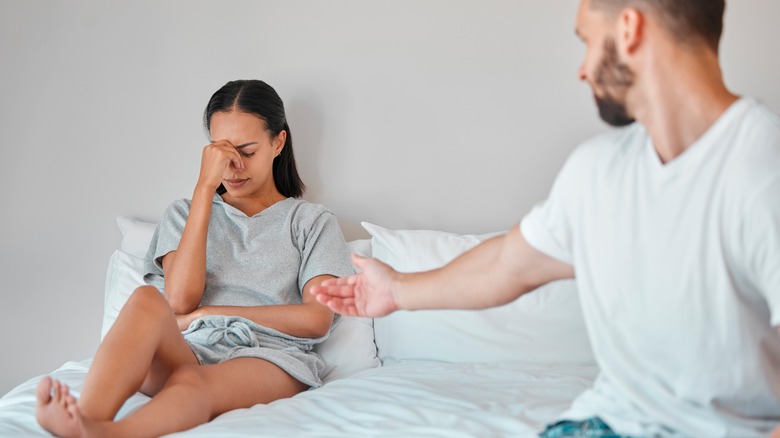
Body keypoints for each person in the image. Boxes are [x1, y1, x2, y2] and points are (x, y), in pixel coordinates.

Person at [311, 0, 780, 436]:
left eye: (588, 41)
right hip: (605, 422)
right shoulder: (598, 170)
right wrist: (397, 290)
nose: (582, 70)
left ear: (630, 28)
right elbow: (507, 265)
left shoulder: (761, 167)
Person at [35, 79, 355, 437]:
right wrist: (204, 188)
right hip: (189, 346)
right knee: (144, 300)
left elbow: (316, 319)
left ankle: (104, 434)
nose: (233, 167)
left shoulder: (311, 221)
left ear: (278, 142)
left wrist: (209, 313)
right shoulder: (183, 214)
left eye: (247, 152)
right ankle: (83, 421)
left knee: (192, 381)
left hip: (269, 357)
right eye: (222, 153)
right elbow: (179, 300)